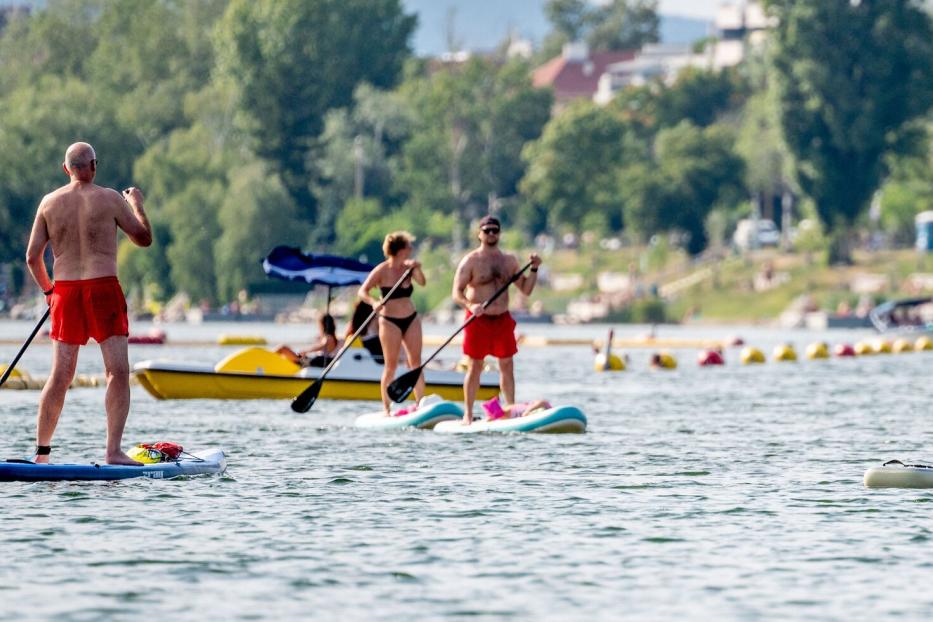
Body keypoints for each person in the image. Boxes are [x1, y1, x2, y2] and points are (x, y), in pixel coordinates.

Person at [25, 142, 152, 465]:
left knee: (60, 375)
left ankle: (42, 454)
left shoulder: (49, 203)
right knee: (117, 372)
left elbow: (32, 257)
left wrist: (48, 292)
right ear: (94, 166)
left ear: (66, 169)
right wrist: (136, 203)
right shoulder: (110, 198)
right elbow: (143, 237)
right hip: (103, 290)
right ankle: (112, 451)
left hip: (65, 293)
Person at [452, 216, 542, 424]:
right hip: (478, 320)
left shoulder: (509, 261)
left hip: (501, 319)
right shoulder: (471, 260)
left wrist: (534, 268)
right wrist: (470, 305)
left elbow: (526, 290)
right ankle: (467, 414)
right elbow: (456, 292)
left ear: (499, 233)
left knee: (507, 365)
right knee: (475, 366)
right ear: (479, 234)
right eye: (487, 230)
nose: (491, 234)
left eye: (495, 230)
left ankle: (510, 410)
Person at [357, 231, 426, 416]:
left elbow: (422, 282)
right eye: (409, 246)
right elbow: (363, 292)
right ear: (401, 249)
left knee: (416, 363)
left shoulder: (408, 267)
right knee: (391, 366)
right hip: (389, 322)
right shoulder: (382, 270)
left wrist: (417, 269)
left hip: (411, 318)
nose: (411, 249)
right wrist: (373, 302)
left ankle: (421, 404)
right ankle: (387, 408)